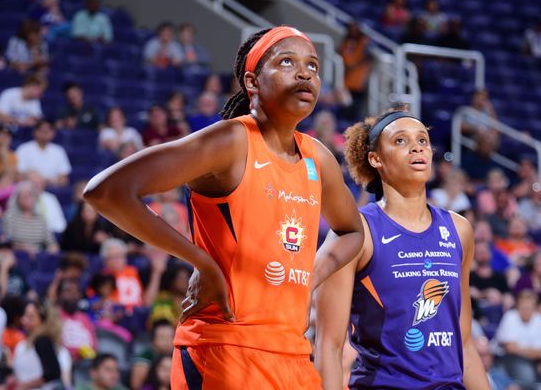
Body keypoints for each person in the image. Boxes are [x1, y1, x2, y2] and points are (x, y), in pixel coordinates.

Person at [84, 26, 363, 388]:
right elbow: (107, 191)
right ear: (252, 82)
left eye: (312, 66)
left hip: (293, 354)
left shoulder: (318, 157)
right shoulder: (231, 141)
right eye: (287, 62)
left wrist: (311, 275)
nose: (304, 73)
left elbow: (351, 231)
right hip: (224, 347)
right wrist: (201, 262)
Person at [314, 110, 488, 389]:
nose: (417, 147)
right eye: (401, 141)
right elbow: (329, 346)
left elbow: (465, 345)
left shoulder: (459, 229)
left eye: (423, 140)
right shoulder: (356, 230)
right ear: (376, 159)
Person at [13, 300, 73, 389]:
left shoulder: (42, 341)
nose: (24, 320)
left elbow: (53, 373)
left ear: (43, 320)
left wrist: (25, 385)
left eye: (30, 317)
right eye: (25, 315)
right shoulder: (31, 341)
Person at [495, 291, 541, 363]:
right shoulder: (510, 316)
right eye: (523, 308)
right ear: (517, 307)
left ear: (535, 308)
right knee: (526, 369)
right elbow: (510, 348)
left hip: (538, 360)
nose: (526, 311)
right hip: (509, 359)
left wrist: (540, 356)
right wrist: (536, 353)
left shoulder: (540, 318)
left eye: (529, 308)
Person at [2, 181, 58, 255]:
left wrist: (52, 249)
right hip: (17, 255)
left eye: (30, 194)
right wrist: (23, 248)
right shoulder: (10, 217)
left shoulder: (40, 219)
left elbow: (51, 242)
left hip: (38, 256)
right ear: (17, 199)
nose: (27, 197)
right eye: (23, 195)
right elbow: (6, 241)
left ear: (35, 197)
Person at [16, 120, 72, 187]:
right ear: (35, 132)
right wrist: (36, 179)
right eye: (42, 131)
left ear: (53, 133)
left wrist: (47, 181)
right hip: (29, 188)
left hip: (52, 188)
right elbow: (18, 175)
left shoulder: (59, 151)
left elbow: (64, 179)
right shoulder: (23, 149)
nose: (45, 134)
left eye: (47, 131)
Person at [56, 278, 97, 361]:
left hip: (86, 361)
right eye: (68, 291)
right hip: (63, 359)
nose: (72, 295)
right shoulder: (54, 315)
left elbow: (94, 345)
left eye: (75, 292)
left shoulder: (84, 317)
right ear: (60, 294)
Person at [130, 320, 177, 389]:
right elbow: (135, 386)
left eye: (170, 337)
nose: (167, 341)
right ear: (153, 340)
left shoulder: (177, 355)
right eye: (162, 337)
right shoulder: (145, 357)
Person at [339, 21, 371, 112]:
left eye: (355, 29)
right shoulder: (345, 42)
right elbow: (340, 53)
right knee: (345, 105)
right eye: (352, 28)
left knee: (357, 107)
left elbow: (369, 57)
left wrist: (354, 65)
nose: (353, 31)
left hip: (359, 80)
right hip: (346, 79)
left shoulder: (364, 42)